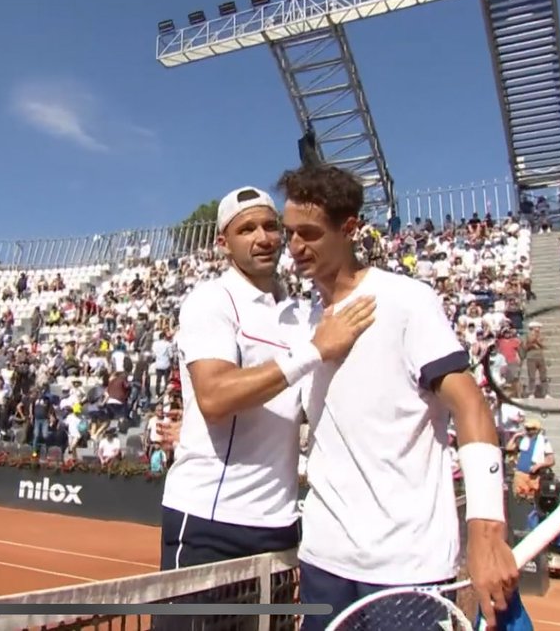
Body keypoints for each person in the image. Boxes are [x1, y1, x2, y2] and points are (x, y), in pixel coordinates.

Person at [273, 164, 520, 630]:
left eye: (309, 233)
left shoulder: (407, 300)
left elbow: (470, 406)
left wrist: (487, 532)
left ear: (348, 229)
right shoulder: (299, 321)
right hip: (324, 558)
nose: (295, 247)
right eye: (290, 234)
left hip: (407, 568)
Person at [159, 185, 374, 571]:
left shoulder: (302, 313)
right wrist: (313, 350)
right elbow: (214, 397)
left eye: (270, 226)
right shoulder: (211, 300)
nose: (263, 239)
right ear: (224, 243)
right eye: (247, 230)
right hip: (211, 520)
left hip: (281, 524)